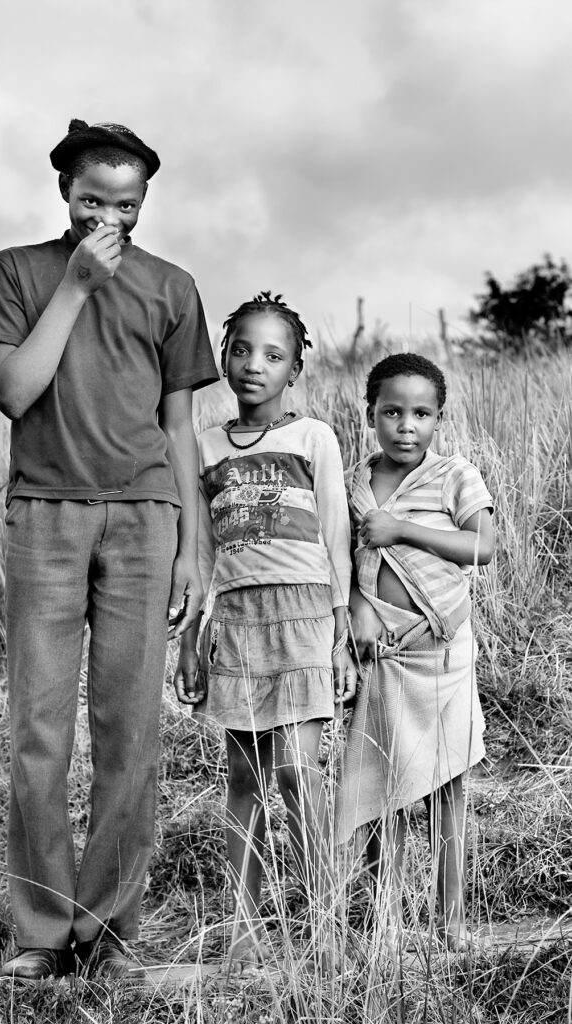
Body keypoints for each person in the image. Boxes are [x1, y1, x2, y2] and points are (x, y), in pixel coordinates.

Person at [0, 119, 218, 980]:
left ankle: (109, 935)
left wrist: (195, 545)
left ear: (144, 202)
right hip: (46, 514)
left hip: (147, 518)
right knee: (38, 732)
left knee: (130, 735)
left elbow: (180, 428)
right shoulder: (20, 272)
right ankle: (42, 931)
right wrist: (72, 289)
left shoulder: (172, 287)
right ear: (63, 193)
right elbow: (12, 392)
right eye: (90, 200)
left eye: (125, 204)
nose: (107, 216)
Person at [174, 291, 357, 971]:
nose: (254, 364)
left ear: (295, 367)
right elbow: (197, 554)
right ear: (223, 356)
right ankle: (245, 929)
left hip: (305, 615)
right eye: (242, 349)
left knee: (295, 771)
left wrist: (341, 629)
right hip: (239, 621)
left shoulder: (313, 439)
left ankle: (324, 922)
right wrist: (192, 636)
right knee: (244, 779)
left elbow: (336, 535)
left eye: (272, 354)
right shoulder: (202, 446)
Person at [338, 352, 494, 952]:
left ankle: (449, 918)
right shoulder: (357, 483)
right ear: (370, 413)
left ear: (440, 418)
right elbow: (353, 564)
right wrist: (359, 613)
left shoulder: (455, 474)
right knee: (387, 789)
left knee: (447, 786)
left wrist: (401, 529)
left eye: (421, 413)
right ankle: (386, 921)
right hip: (385, 657)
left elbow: (483, 546)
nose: (407, 425)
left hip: (444, 654)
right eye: (392, 412)